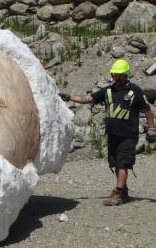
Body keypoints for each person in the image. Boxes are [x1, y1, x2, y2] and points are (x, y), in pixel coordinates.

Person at [62, 58, 156, 206]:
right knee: (116, 163)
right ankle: (123, 191)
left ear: (126, 75)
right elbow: (89, 98)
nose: (116, 78)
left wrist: (151, 129)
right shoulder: (108, 91)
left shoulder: (135, 91)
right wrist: (70, 97)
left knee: (123, 163)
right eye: (114, 75)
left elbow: (147, 111)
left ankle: (118, 193)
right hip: (112, 134)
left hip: (128, 135)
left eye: (119, 75)